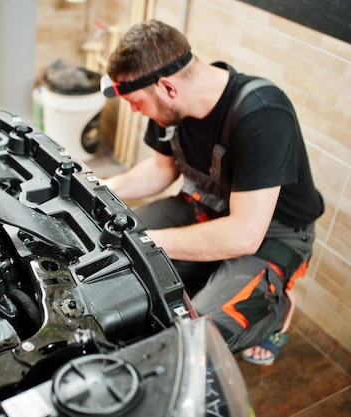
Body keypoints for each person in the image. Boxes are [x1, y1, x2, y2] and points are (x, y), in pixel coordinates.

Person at [99, 20, 324, 365]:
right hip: (203, 207)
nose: (133, 110)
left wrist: (147, 243)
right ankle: (207, 272)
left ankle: (276, 307)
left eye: (136, 103)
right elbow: (162, 170)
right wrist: (102, 190)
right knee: (109, 257)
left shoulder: (262, 113)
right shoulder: (166, 103)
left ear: (167, 88)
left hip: (268, 237)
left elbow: (245, 235)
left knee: (194, 338)